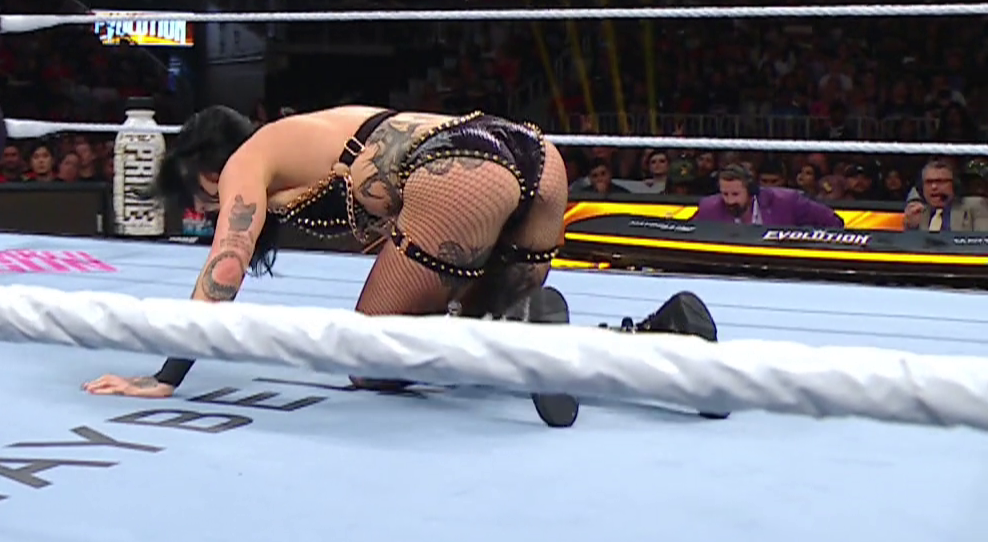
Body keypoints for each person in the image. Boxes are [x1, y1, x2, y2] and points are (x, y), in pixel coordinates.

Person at [81, 105, 720, 426]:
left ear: (206, 167)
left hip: (458, 176)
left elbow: (226, 267)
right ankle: (665, 336)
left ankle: (519, 322)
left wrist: (165, 375)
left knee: (369, 359)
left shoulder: (249, 157)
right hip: (535, 157)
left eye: (200, 195)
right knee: (481, 329)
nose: (207, 207)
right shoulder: (314, 130)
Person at [692, 164, 843, 228]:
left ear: (751, 191)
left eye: (735, 194)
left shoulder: (787, 202)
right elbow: (687, 233)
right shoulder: (709, 208)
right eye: (725, 194)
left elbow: (834, 222)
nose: (730, 201)